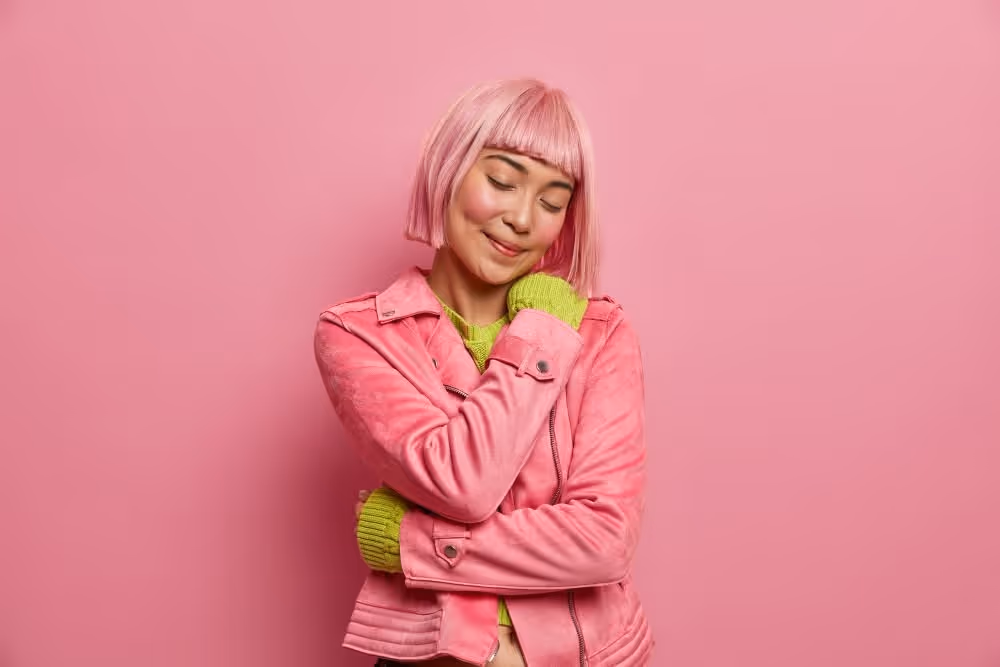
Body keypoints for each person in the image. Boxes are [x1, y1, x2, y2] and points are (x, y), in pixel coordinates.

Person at [314, 78, 652, 666]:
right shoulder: (361, 334)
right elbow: (465, 485)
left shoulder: (601, 333)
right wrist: (539, 338)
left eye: (552, 202)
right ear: (448, 171)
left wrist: (415, 542)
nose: (522, 218)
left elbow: (605, 542)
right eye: (501, 181)